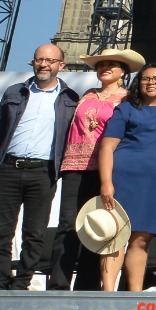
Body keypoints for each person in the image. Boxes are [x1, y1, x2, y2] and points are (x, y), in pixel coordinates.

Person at [0, 44, 80, 291]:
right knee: (1, 233)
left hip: (43, 172)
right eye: (39, 60)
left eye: (50, 61)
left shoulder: (71, 99)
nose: (44, 65)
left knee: (34, 234)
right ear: (32, 63)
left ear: (61, 65)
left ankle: (22, 283)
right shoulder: (15, 92)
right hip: (8, 168)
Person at [52, 48, 139, 291]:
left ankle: (87, 288)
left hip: (107, 170)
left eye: (112, 64)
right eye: (100, 65)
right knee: (68, 225)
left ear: (124, 72)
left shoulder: (129, 99)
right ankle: (58, 285)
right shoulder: (84, 95)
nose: (105, 68)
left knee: (98, 228)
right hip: (74, 166)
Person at [96, 63, 156, 292]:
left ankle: (134, 296)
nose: (150, 82)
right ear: (137, 83)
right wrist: (106, 183)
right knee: (115, 237)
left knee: (141, 240)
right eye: (145, 79)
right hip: (123, 181)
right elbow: (106, 148)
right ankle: (108, 295)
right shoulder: (126, 109)